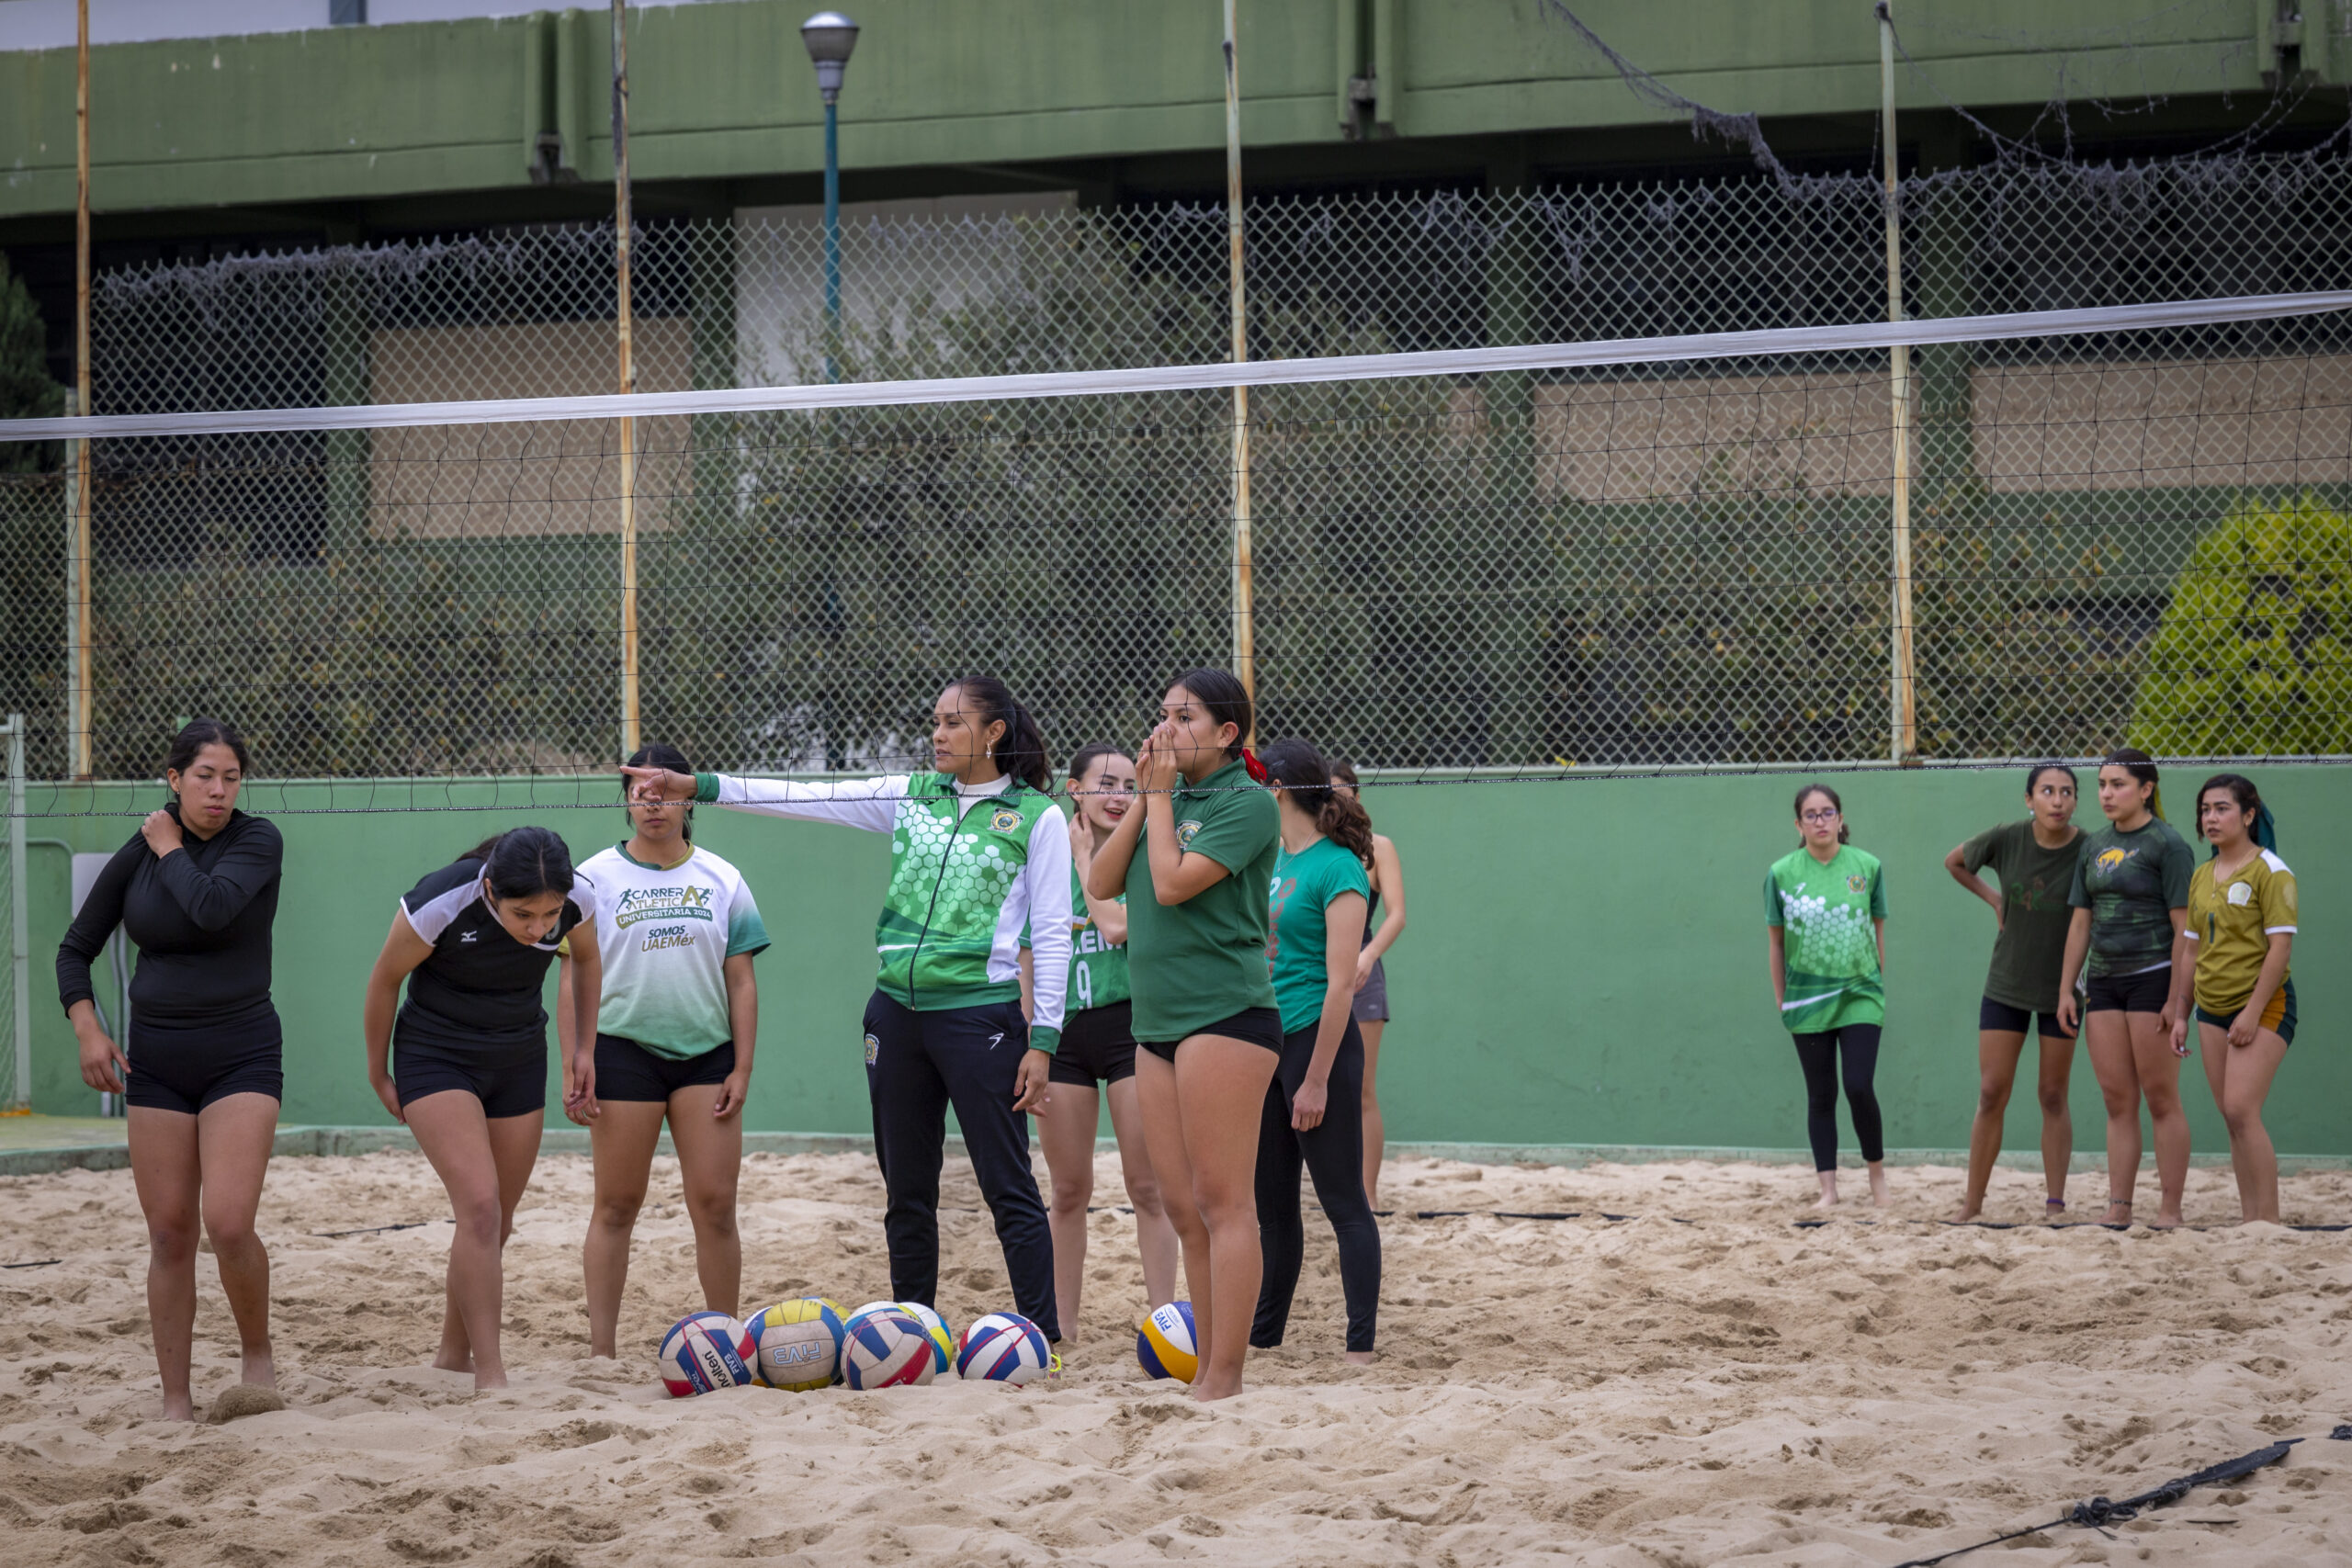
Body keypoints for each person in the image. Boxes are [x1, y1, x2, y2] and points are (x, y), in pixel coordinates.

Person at [623, 677, 1069, 1341]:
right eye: (935, 721)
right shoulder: (912, 795)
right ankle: (914, 1333)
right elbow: (805, 797)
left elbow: (1054, 930)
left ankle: (1044, 1340)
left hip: (982, 1019)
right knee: (906, 1192)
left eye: (953, 722)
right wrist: (701, 787)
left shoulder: (1039, 816)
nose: (937, 734)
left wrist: (1044, 1039)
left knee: (1009, 1188)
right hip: (895, 1015)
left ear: (994, 732)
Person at [57, 718, 283, 1422]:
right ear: (174, 777)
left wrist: (168, 844)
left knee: (229, 1221)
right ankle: (176, 1400)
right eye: (205, 775)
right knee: (169, 1232)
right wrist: (89, 1029)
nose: (219, 790)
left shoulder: (257, 840)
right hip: (157, 1057)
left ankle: (255, 1352)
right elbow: (75, 950)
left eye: (231, 777)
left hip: (241, 1050)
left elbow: (212, 910)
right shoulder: (141, 850)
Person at [1089, 669, 1282, 1400]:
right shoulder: (1166, 797)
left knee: (1223, 1199)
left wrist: (1162, 798)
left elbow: (1169, 884)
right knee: (1180, 1206)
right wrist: (1146, 798)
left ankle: (1225, 1376)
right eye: (1161, 713)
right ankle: (1205, 1367)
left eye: (1185, 717)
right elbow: (1104, 884)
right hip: (1157, 1023)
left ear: (1227, 733)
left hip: (1226, 1017)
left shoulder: (1248, 802)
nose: (1165, 729)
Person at [362, 827, 601, 1388]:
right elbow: (384, 981)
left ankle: (451, 1353)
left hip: (518, 1056)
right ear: (490, 888)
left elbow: (585, 962)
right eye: (523, 914)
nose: (539, 928)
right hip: (435, 1054)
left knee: (495, 1221)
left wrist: (584, 1049)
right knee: (479, 1206)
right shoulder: (441, 901)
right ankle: (490, 1376)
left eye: (549, 914)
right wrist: (378, 1071)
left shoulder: (580, 900)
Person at [562, 744, 768, 1359]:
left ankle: (724, 1340)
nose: (653, 803)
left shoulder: (723, 877)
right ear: (625, 800)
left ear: (688, 796)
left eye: (666, 790)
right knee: (617, 1204)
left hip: (706, 1057)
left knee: (716, 1203)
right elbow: (570, 975)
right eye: (640, 791)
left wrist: (742, 1065)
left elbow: (742, 980)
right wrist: (577, 1055)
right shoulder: (593, 877)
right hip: (622, 1051)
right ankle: (602, 1350)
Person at [1038, 741, 1180, 1342]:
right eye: (1107, 783)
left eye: (1129, 784)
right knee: (1068, 1190)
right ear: (1075, 789)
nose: (1120, 795)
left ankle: (1166, 1323)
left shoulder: (1146, 853)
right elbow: (1028, 951)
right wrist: (1032, 1038)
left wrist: (1082, 861)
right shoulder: (1043, 853)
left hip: (1130, 1030)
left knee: (1148, 1185)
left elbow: (1118, 926)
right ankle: (1060, 1327)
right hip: (1063, 1034)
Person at [1252, 739, 1381, 1364]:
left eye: (1254, 781)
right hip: (1264, 1045)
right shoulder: (1270, 857)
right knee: (1272, 1209)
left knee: (1343, 1203)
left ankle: (1359, 1346)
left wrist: (1318, 1080)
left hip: (1314, 1044)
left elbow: (1340, 983)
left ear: (1277, 787)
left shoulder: (1339, 866)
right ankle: (1264, 1336)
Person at [2055, 749, 2194, 1229]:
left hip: (2152, 978)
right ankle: (2120, 1205)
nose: (2107, 794)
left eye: (2118, 784)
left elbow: (2185, 932)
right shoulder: (2094, 845)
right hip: (2103, 983)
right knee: (2117, 1099)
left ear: (2147, 789)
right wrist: (2066, 989)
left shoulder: (2168, 844)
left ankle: (2170, 1208)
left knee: (2160, 1098)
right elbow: (2080, 922)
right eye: (2102, 784)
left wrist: (2178, 1001)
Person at [1942, 765, 2086, 1222]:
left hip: (2062, 991)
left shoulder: (2089, 849)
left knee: (2052, 1094)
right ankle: (1972, 1204)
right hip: (2006, 983)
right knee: (1991, 1091)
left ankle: (2056, 1203)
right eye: (2047, 791)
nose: (2057, 800)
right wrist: (1994, 899)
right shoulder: (2007, 837)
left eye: (2067, 792)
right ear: (2030, 799)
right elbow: (1955, 862)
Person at [2177, 774, 2297, 1224]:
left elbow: (2280, 949)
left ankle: (2269, 1222)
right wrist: (2181, 1012)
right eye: (2205, 809)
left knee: (2243, 1108)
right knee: (2231, 1116)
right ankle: (2251, 1222)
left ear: (2248, 815)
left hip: (2262, 1004)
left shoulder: (2272, 871)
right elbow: (2191, 949)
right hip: (2211, 1006)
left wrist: (2250, 1013)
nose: (2211, 817)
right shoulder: (2203, 874)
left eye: (2222, 808)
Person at [1765, 784, 1889, 1210]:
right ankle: (1828, 1190)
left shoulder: (1867, 866)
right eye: (1812, 815)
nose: (1821, 821)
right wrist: (1783, 999)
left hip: (1860, 994)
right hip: (1807, 1000)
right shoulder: (1781, 873)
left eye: (1828, 812)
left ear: (1840, 818)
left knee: (1858, 1084)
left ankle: (1877, 1179)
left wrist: (1875, 981)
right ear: (1798, 824)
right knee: (1821, 1095)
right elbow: (1776, 943)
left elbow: (1878, 930)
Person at [1329, 760, 1407, 1209]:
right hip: (1310, 974)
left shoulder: (1378, 848)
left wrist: (1368, 955)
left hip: (1360, 972)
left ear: (1357, 795)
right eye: (1327, 791)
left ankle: (1369, 1195)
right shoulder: (1305, 848)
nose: (1336, 799)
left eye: (1343, 790)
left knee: (1360, 1089)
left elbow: (1396, 914)